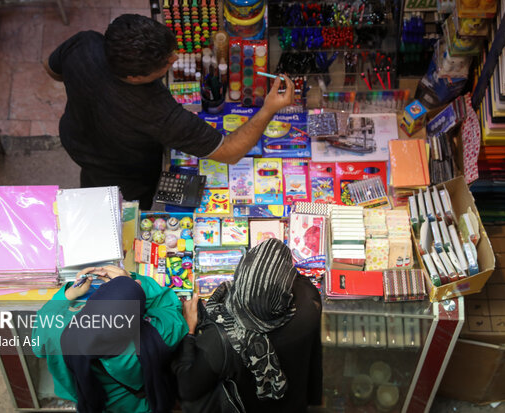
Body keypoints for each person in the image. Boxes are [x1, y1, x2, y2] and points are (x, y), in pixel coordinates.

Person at [44, 14, 295, 209]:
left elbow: (51, 68)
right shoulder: (157, 111)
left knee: (91, 180)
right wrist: (268, 109)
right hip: (127, 176)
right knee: (126, 212)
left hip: (78, 141)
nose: (174, 59)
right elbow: (230, 152)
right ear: (134, 77)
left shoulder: (85, 43)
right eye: (166, 62)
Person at [172, 239, 323, 413]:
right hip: (292, 400)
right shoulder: (309, 298)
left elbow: (188, 388)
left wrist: (189, 331)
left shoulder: (222, 338)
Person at [32, 265, 189, 413]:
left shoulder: (53, 327)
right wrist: (134, 283)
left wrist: (71, 292)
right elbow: (173, 310)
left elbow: (41, 334)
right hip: (134, 404)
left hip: (82, 394)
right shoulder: (153, 336)